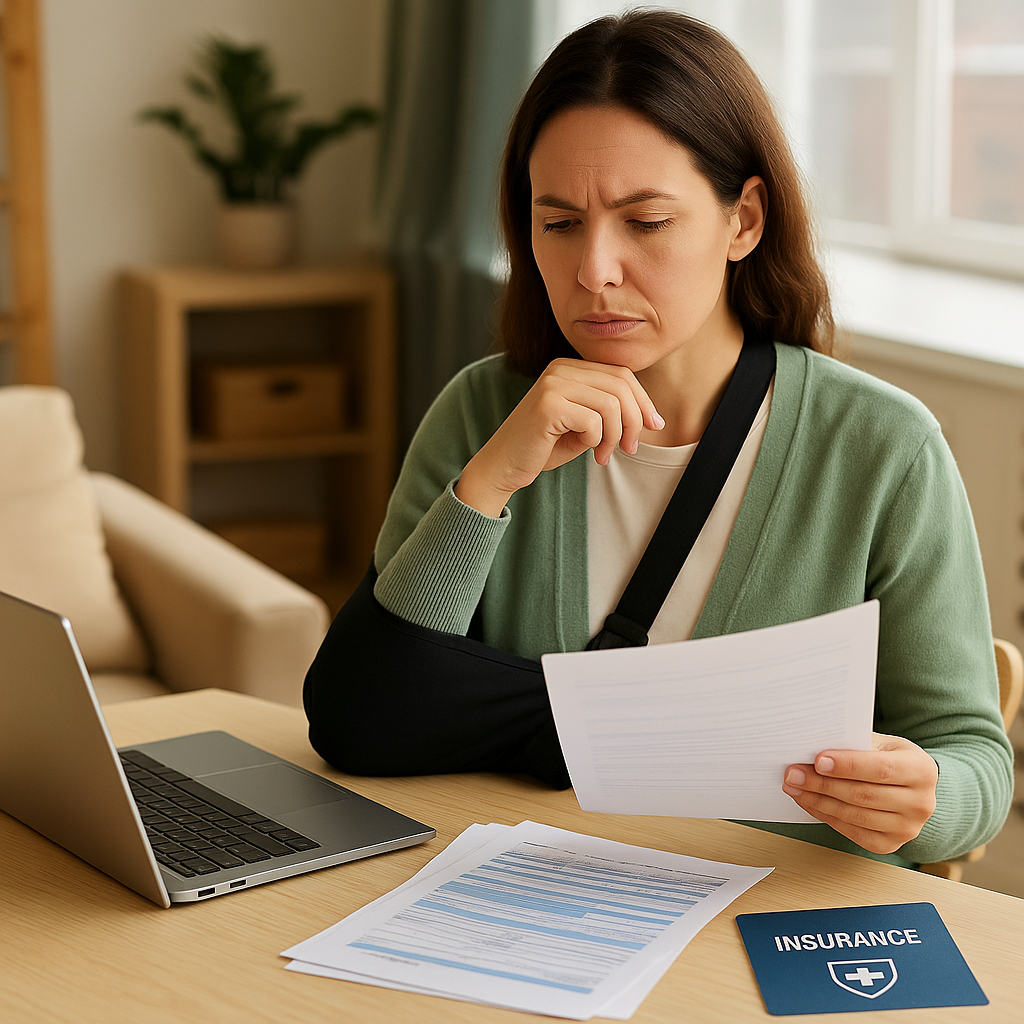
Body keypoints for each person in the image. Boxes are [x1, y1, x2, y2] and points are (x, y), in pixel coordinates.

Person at [304, 10, 1012, 869]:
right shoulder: (480, 411)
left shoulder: (882, 447)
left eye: (645, 222)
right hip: (524, 897)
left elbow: (974, 762)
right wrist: (490, 481)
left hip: (770, 912)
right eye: (558, 222)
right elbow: (368, 711)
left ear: (744, 221)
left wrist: (924, 795)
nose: (593, 270)